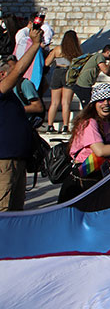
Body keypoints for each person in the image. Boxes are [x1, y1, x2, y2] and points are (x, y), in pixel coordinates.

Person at [0, 28, 43, 211]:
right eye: (8, 72)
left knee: (16, 212)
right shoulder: (1, 90)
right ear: (2, 75)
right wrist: (35, 44)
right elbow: (18, 71)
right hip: (5, 161)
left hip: (17, 159)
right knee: (4, 211)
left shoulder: (9, 96)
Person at [44, 30, 82, 133]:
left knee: (54, 102)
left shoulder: (57, 49)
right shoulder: (76, 51)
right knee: (66, 102)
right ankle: (65, 126)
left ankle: (50, 126)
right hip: (69, 73)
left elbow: (47, 63)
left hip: (57, 72)